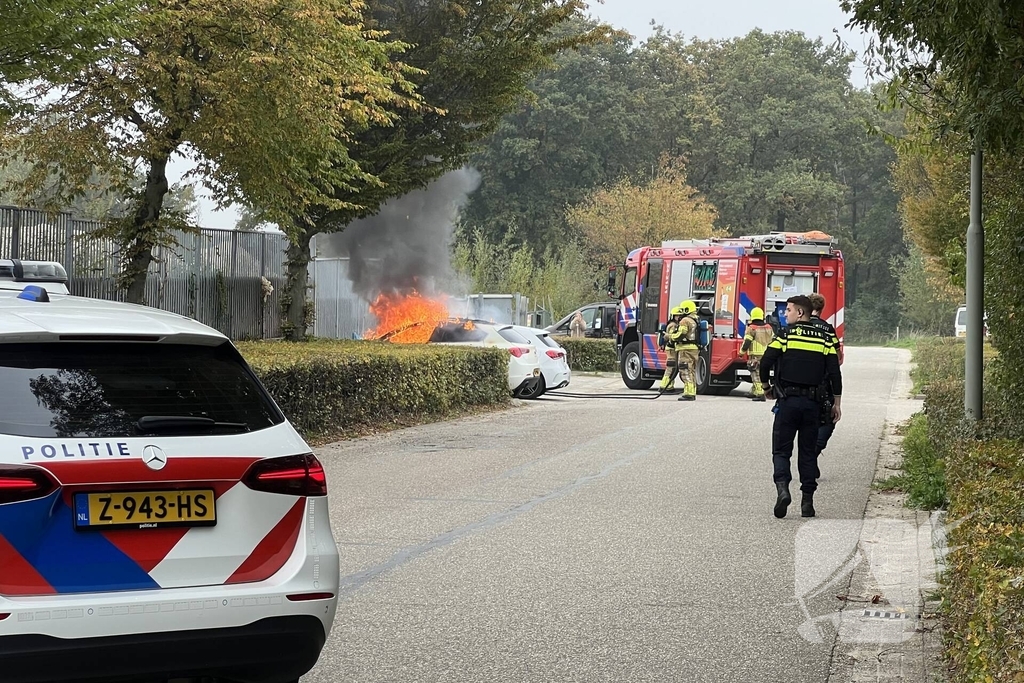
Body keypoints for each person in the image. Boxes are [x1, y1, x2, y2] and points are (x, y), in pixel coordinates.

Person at [759, 294, 842, 519]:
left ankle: (783, 489)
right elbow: (835, 371)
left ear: (800, 312)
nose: (785, 314)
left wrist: (766, 387)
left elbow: (765, 362)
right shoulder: (824, 337)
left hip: (787, 402)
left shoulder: (785, 335)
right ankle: (807, 502)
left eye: (788, 310)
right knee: (807, 453)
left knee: (781, 450)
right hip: (813, 405)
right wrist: (836, 402)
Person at [808, 293, 842, 457]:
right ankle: (815, 451)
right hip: (824, 382)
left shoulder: (797, 328)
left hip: (798, 382)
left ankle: (808, 455)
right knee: (829, 419)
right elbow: (837, 357)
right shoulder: (827, 329)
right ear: (821, 309)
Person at [667, 300, 700, 402]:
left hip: (685, 349)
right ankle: (692, 391)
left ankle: (689, 393)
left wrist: (670, 336)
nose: (681, 313)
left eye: (682, 310)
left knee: (685, 370)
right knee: (692, 370)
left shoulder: (685, 321)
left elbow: (681, 334)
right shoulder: (696, 320)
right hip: (694, 349)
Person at [740, 307, 775, 401]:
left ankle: (760, 394)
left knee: (755, 373)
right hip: (767, 354)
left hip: (755, 355)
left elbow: (747, 342)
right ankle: (754, 391)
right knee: (762, 373)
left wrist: (741, 352)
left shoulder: (751, 328)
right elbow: (773, 340)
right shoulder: (769, 327)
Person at [658, 305, 685, 393]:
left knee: (673, 368)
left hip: (672, 348)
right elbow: (671, 337)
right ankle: (664, 386)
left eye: (680, 316)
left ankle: (669, 386)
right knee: (671, 367)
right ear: (673, 316)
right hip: (671, 349)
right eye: (677, 316)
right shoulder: (673, 325)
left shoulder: (676, 324)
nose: (679, 317)